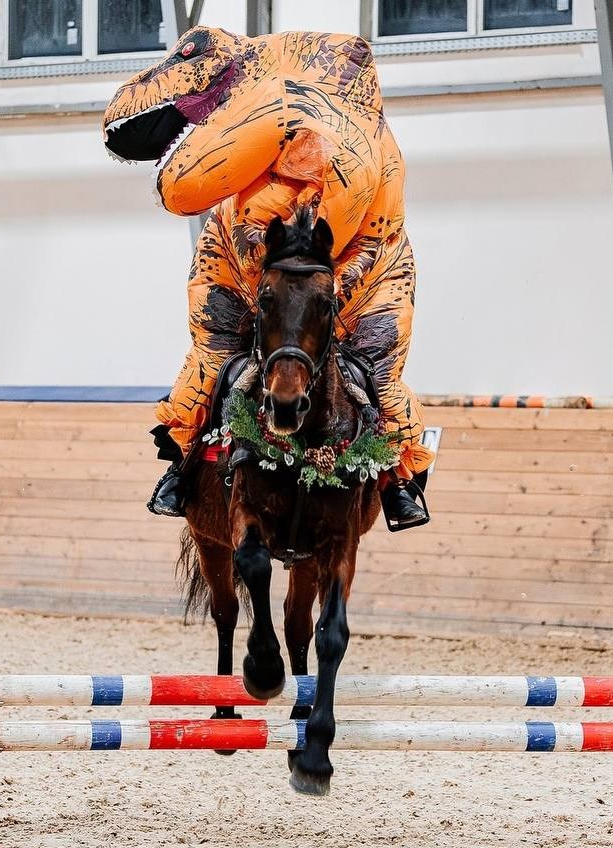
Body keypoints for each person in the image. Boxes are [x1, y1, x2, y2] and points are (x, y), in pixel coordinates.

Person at [103, 25, 430, 530]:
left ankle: (397, 483)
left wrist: (325, 296)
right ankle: (183, 465)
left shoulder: (353, 150)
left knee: (380, 378)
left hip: (365, 278)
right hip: (249, 274)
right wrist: (271, 278)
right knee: (212, 359)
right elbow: (239, 225)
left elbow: (365, 238)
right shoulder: (258, 144)